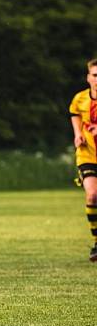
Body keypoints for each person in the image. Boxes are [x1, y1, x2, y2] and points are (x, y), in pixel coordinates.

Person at [69, 57, 97, 261]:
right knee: (92, 196)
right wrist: (77, 133)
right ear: (88, 77)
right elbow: (74, 113)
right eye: (95, 75)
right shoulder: (80, 99)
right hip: (88, 154)